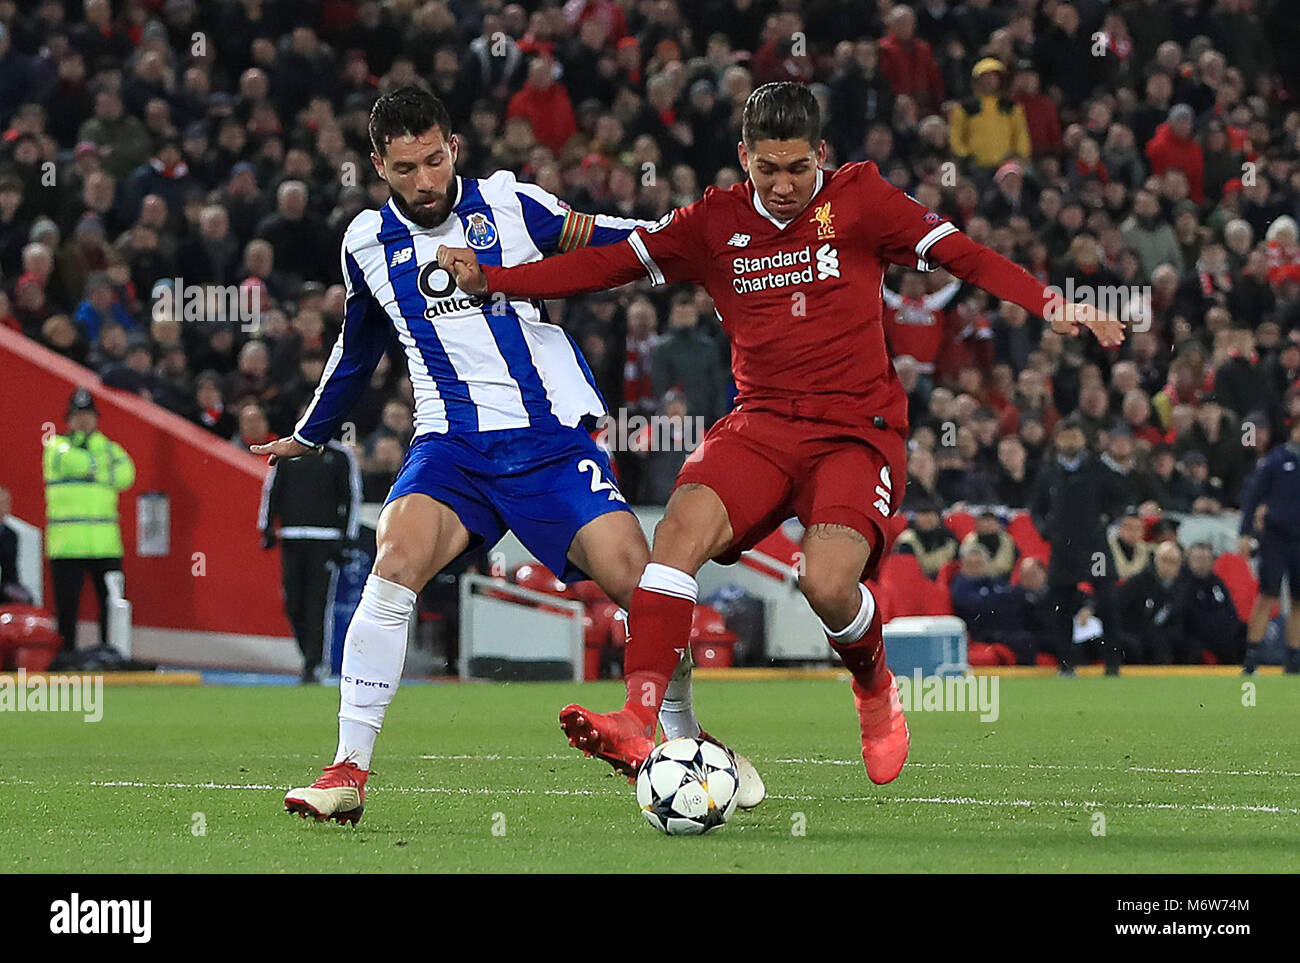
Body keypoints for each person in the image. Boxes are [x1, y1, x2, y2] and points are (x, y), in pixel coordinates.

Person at [438, 82, 1123, 781]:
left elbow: (963, 255)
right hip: (761, 423)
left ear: (822, 154)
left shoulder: (862, 199)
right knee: (675, 536)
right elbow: (611, 263)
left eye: (799, 167)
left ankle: (875, 687)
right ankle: (638, 723)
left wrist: (1048, 302)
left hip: (856, 430)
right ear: (744, 159)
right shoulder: (714, 222)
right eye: (769, 169)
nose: (786, 183)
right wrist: (496, 280)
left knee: (825, 584)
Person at [258, 88, 763, 824]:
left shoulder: (509, 206)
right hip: (449, 446)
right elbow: (358, 343)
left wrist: (699, 238)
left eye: (435, 160)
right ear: (378, 166)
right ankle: (347, 770)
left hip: (549, 442)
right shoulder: (365, 241)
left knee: (645, 589)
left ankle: (687, 741)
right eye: (406, 169)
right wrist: (310, 431)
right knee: (393, 561)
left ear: (453, 147)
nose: (426, 180)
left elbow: (612, 239)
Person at [258, 422, 361, 684]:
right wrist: (267, 527)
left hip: (325, 539)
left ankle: (314, 663)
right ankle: (309, 655)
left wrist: (346, 538)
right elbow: (273, 491)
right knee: (292, 603)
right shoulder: (287, 454)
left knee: (317, 604)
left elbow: (350, 496)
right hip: (292, 536)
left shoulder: (339, 456)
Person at [43, 388, 135, 669]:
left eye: (88, 415)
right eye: (78, 415)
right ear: (68, 419)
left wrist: (92, 468)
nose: (83, 421)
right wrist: (101, 469)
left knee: (110, 605)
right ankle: (66, 655)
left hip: (105, 543)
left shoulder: (110, 447)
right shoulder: (56, 447)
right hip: (67, 544)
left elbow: (127, 475)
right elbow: (69, 462)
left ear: (96, 418)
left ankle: (109, 654)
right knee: (67, 608)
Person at [1029, 417, 1128, 675]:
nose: (1071, 441)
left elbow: (1120, 497)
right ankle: (1066, 664)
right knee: (1061, 605)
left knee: (1107, 602)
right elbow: (1036, 509)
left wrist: (1106, 519)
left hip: (1094, 546)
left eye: (1075, 435)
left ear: (1084, 439)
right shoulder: (1049, 471)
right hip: (1063, 546)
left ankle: (1113, 664)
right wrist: (1046, 531)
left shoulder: (1098, 469)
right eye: (1065, 435)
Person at [1238, 415, 1300, 674]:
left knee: (1299, 600)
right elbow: (1252, 495)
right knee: (1268, 594)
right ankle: (1252, 656)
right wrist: (1244, 532)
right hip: (1275, 537)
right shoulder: (1276, 460)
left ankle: (1294, 658)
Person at [0, 486, 33, 604]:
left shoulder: (11, 535)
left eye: (6, 503)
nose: (3, 508)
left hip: (5, 584)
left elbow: (11, 570)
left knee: (25, 597)